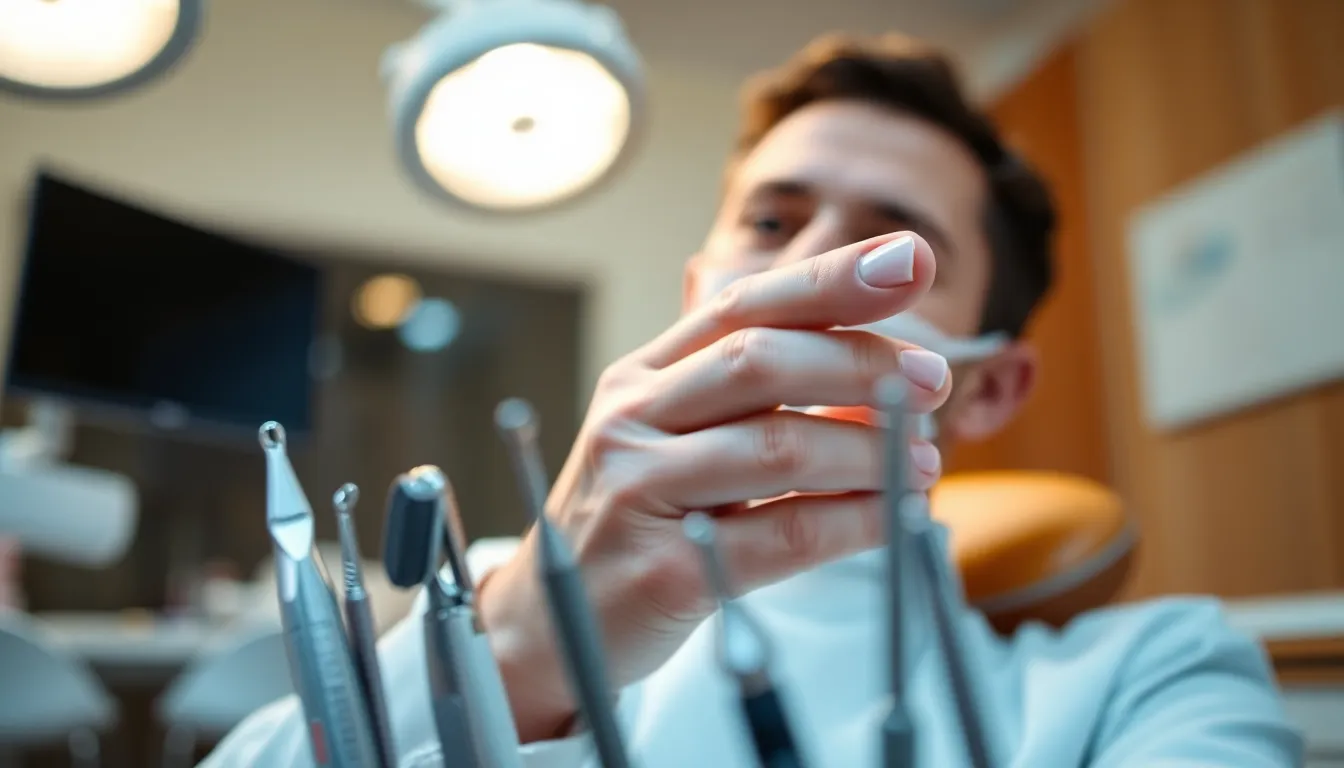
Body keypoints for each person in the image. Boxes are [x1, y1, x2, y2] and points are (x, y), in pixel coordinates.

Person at [204, 33, 1301, 767]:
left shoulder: (1147, 678)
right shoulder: (499, 593)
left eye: (893, 245)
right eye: (772, 225)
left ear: (990, 385)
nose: (812, 266)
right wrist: (525, 640)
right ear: (700, 295)